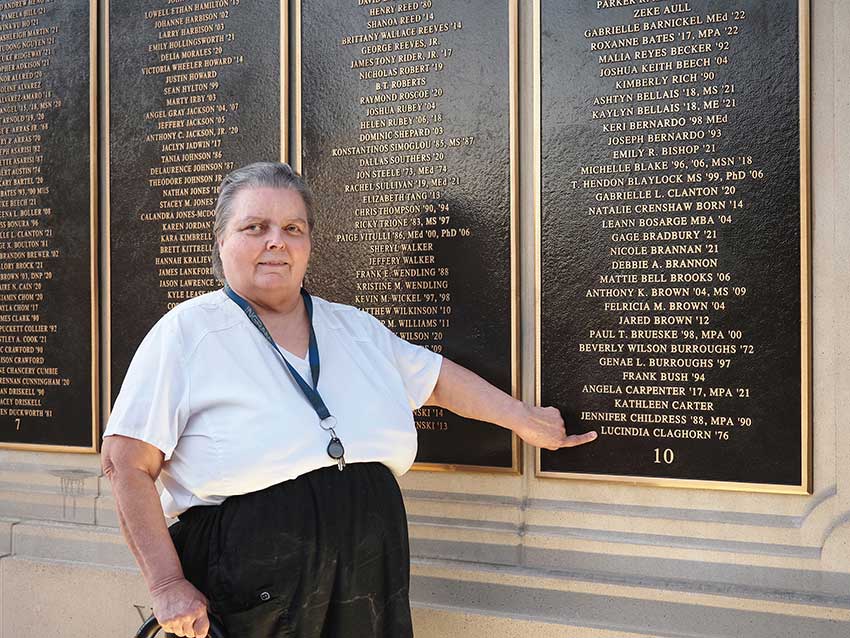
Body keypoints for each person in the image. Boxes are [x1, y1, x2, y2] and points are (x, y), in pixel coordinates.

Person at [102, 161, 597, 638]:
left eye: (293, 228)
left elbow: (438, 381)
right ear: (222, 241)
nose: (276, 240)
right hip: (250, 589)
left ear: (308, 246)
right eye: (255, 227)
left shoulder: (353, 327)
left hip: (368, 578)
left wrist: (524, 420)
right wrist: (167, 585)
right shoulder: (187, 332)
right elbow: (126, 464)